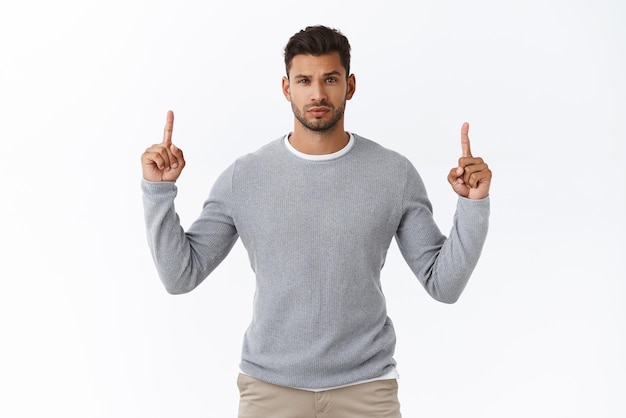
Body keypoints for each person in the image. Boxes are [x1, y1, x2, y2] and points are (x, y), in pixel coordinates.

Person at [141, 25, 491, 418]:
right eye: (304, 80)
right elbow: (180, 276)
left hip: (366, 392)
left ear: (350, 85)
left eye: (330, 79)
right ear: (286, 88)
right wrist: (158, 192)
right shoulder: (245, 177)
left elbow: (443, 284)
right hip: (269, 391)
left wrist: (473, 205)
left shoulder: (393, 174)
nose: (318, 94)